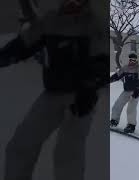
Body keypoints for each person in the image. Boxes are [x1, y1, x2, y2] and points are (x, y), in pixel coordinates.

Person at [0, 0, 107, 179]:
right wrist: (6, 56)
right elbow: (22, 46)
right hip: (52, 94)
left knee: (68, 153)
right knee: (21, 144)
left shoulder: (94, 25)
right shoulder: (50, 22)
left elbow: (102, 61)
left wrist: (88, 89)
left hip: (80, 97)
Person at [110, 53, 139, 133]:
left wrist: (137, 89)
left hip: (135, 92)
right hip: (126, 91)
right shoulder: (125, 68)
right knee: (117, 105)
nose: (132, 61)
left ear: (136, 61)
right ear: (129, 59)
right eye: (131, 59)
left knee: (131, 109)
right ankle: (114, 121)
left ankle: (131, 125)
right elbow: (117, 76)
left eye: (134, 60)